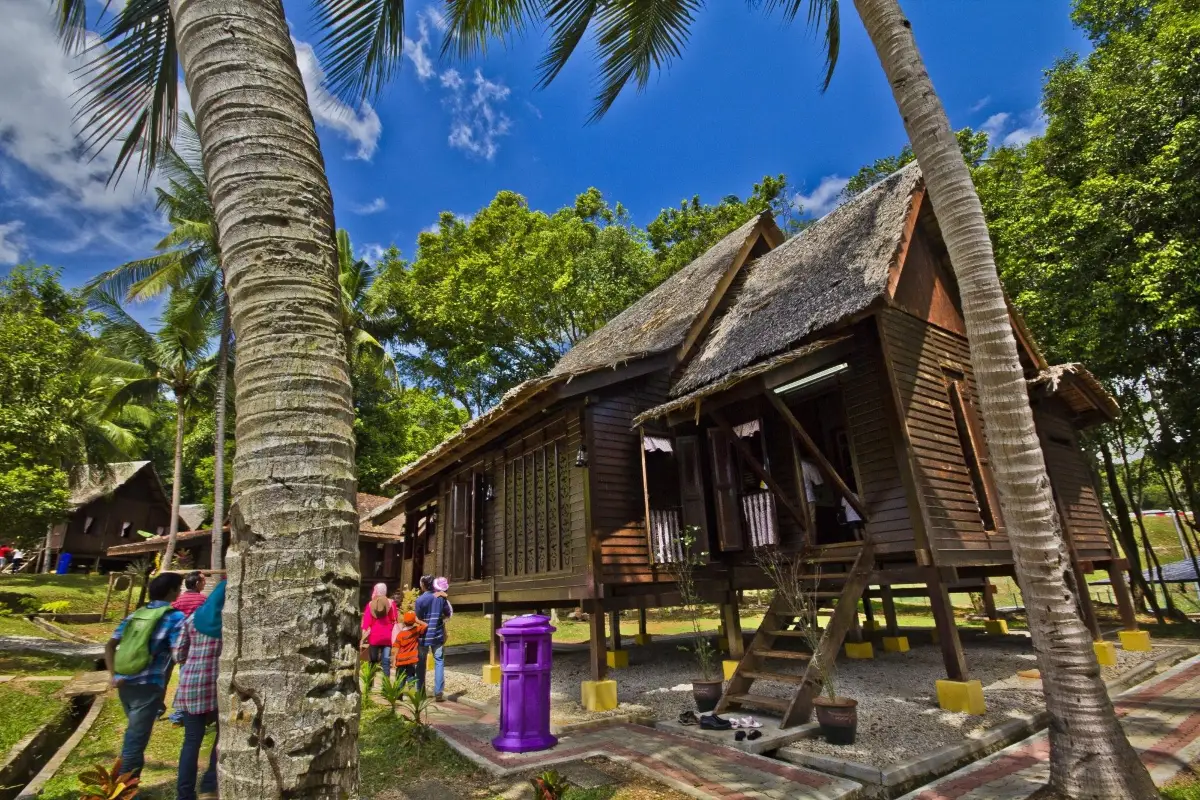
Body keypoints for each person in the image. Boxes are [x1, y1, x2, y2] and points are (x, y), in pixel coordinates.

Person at [105, 572, 186, 777]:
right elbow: (179, 654)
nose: (180, 592)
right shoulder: (175, 617)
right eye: (179, 588)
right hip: (148, 684)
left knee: (135, 735)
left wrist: (113, 675)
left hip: (124, 681)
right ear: (172, 591)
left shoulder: (136, 614)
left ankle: (127, 784)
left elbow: (110, 645)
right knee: (135, 739)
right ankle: (123, 790)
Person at [173, 579, 224, 800]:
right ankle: (209, 784)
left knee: (191, 741)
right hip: (218, 689)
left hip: (191, 687)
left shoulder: (192, 619)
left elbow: (178, 655)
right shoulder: (231, 623)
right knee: (220, 739)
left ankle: (184, 794)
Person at [415, 575, 452, 701]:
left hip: (423, 636)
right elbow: (448, 613)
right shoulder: (440, 598)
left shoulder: (420, 600)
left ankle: (420, 692)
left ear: (423, 585)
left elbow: (418, 618)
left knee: (421, 663)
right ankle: (438, 692)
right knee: (439, 662)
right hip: (437, 635)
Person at [360, 583, 397, 679]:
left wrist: (363, 635)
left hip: (374, 636)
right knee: (386, 661)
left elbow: (367, 622)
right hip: (387, 637)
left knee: (372, 660)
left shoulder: (371, 604)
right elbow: (394, 618)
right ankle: (386, 686)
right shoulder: (391, 603)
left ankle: (369, 684)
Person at [392, 610, 426, 687]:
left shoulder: (400, 634)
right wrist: (418, 620)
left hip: (401, 660)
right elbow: (426, 625)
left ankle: (399, 695)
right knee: (410, 676)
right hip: (411, 659)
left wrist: (394, 660)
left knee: (400, 678)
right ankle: (412, 693)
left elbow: (396, 648)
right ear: (414, 621)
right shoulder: (416, 630)